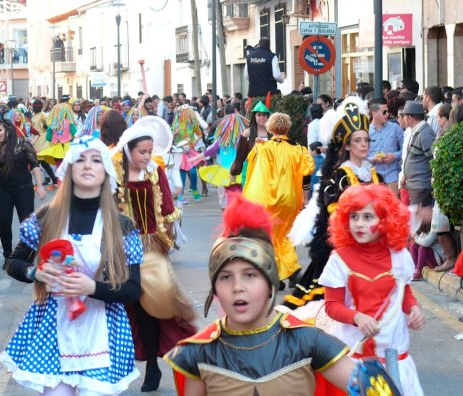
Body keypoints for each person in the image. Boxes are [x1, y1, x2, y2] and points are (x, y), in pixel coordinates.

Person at [164, 195, 374, 395]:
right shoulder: (198, 353)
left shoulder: (308, 341)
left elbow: (372, 390)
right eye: (226, 277)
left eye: (250, 275)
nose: (238, 287)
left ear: (270, 282)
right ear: (215, 289)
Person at [0, 135, 142, 395]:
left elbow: (134, 290)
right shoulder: (47, 217)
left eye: (96, 160)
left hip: (104, 328)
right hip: (54, 326)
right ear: (69, 168)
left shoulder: (122, 227)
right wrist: (36, 272)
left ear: (106, 171)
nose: (88, 165)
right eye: (80, 159)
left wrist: (92, 287)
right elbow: (13, 262)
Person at [319, 184, 425, 396]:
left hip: (394, 353)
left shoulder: (400, 256)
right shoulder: (339, 259)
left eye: (368, 217)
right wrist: (357, 317)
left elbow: (404, 293)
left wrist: (414, 310)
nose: (359, 224)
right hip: (354, 357)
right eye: (354, 216)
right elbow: (331, 306)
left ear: (385, 221)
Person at [112, 125, 196, 392]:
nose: (147, 156)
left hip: (152, 247)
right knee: (134, 309)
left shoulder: (155, 171)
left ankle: (156, 365)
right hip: (124, 249)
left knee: (158, 306)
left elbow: (168, 208)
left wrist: (166, 241)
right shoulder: (114, 174)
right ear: (128, 149)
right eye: (142, 152)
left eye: (150, 151)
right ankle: (148, 364)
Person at [285, 98, 382, 309]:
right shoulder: (340, 175)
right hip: (345, 249)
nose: (364, 144)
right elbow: (337, 216)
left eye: (366, 140)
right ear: (346, 145)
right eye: (358, 140)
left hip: (373, 248)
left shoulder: (374, 174)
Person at [242, 112, 315, 283]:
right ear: (288, 127)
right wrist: (305, 199)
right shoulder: (299, 150)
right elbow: (306, 175)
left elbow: (252, 171)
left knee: (270, 236)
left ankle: (279, 275)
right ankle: (290, 269)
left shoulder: (263, 148)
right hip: (289, 199)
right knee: (286, 235)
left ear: (270, 128)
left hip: (266, 199)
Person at [0, 119, 46, 258]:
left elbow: (35, 165)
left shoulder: (24, 144)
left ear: (8, 130)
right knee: (4, 223)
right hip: (3, 190)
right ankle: (8, 256)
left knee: (27, 223)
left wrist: (39, 186)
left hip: (23, 189)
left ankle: (28, 254)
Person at [367, 98, 404, 195]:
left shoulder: (395, 128)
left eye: (388, 111)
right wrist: (373, 159)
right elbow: (359, 156)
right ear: (374, 113)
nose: (387, 114)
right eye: (384, 112)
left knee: (394, 208)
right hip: (373, 178)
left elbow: (406, 149)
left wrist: (394, 156)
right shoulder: (365, 131)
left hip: (393, 177)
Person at [230, 101, 271, 185]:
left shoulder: (273, 133)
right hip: (251, 171)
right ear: (254, 117)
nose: (262, 118)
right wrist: (233, 171)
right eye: (259, 115)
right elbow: (240, 155)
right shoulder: (247, 133)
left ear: (268, 116)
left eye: (264, 115)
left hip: (269, 172)